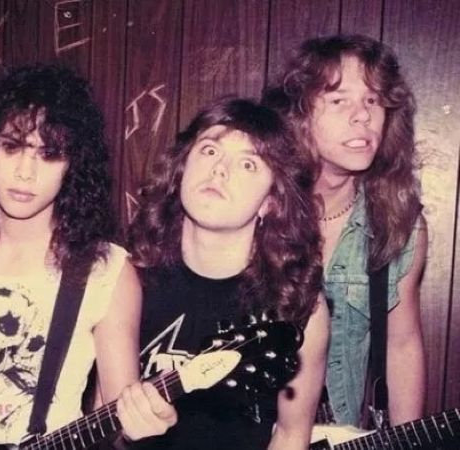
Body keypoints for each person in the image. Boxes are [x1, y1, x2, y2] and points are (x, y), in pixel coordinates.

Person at [0, 65, 176, 449]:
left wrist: (144, 423)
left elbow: (117, 405)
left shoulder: (106, 270)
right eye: (11, 147)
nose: (25, 172)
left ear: (73, 165)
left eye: (49, 154)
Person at [128, 98, 329, 449]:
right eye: (209, 151)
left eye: (248, 164)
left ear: (271, 202)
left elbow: (290, 435)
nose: (219, 169)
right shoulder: (130, 278)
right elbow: (102, 410)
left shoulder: (298, 306)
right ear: (181, 170)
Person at [263, 34, 427, 427]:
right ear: (299, 115)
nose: (363, 116)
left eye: (373, 100)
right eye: (339, 100)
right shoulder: (256, 207)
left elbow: (402, 345)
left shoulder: (397, 222)